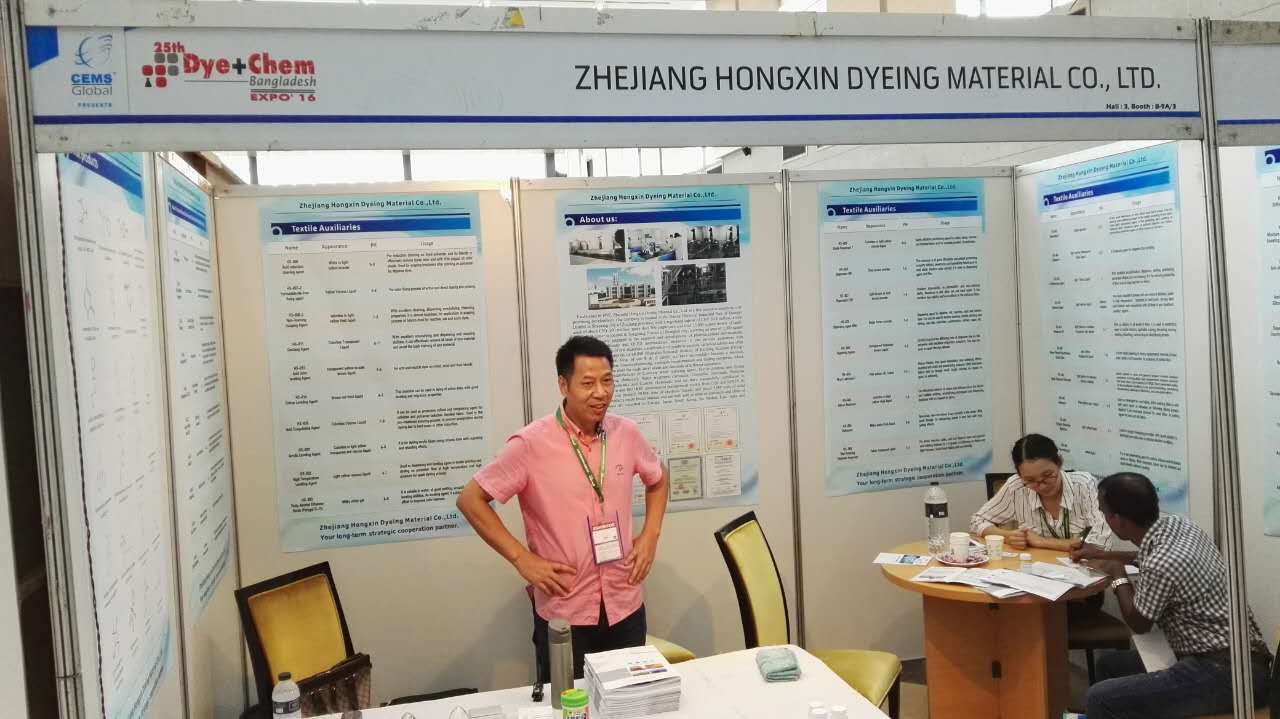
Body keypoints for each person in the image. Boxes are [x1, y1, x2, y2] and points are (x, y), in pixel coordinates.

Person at [456, 336, 669, 680]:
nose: (600, 392)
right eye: (588, 383)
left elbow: (658, 478)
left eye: (607, 381)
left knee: (627, 699)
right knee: (567, 703)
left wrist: (650, 536)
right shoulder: (530, 443)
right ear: (563, 385)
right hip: (565, 611)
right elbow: (470, 500)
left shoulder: (626, 433)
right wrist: (521, 558)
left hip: (624, 605)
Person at [1074, 472, 1272, 719]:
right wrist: (1104, 555)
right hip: (1238, 657)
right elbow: (1148, 557)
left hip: (1225, 674)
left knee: (1099, 698)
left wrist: (1117, 574)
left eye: (1105, 512)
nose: (1104, 518)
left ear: (1119, 520)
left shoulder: (1161, 563)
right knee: (1109, 666)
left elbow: (1139, 623)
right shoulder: (1180, 526)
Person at [970, 433, 1112, 553]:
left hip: (1082, 571)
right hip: (1035, 569)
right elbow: (977, 521)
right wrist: (1008, 536)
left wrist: (1041, 541)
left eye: (1048, 475)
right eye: (1030, 480)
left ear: (1059, 463)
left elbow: (1100, 544)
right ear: (1019, 475)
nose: (1041, 486)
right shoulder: (1016, 486)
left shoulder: (1083, 485)